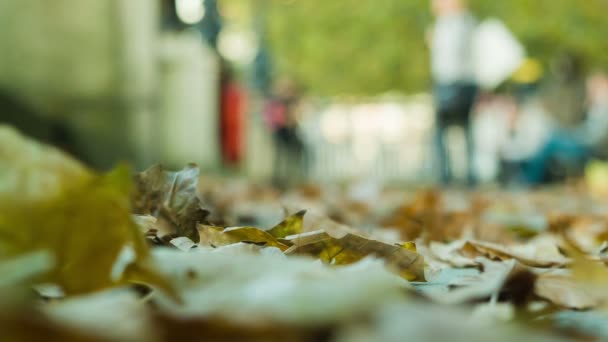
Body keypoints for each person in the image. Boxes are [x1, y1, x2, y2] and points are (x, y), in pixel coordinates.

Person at [429, 0, 478, 185]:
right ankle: (466, 174)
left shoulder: (451, 24)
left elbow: (449, 58)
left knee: (443, 129)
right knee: (464, 128)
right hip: (462, 82)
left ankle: (447, 175)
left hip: (452, 82)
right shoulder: (467, 22)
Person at [263, 78, 306, 187]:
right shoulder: (277, 100)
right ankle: (279, 179)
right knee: (280, 156)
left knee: (290, 155)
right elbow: (269, 115)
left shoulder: (292, 100)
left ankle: (290, 178)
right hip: (280, 130)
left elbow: (297, 114)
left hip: (290, 130)